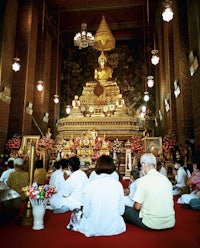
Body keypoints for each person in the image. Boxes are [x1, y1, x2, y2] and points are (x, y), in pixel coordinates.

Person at [68, 155, 126, 237]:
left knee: (79, 216)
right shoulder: (118, 185)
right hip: (113, 227)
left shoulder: (90, 185)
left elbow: (86, 213)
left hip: (93, 227)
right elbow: (121, 211)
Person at [123, 153, 175, 230]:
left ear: (143, 164)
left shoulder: (143, 180)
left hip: (151, 223)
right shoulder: (166, 179)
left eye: (141, 166)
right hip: (170, 222)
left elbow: (137, 207)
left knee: (124, 208)